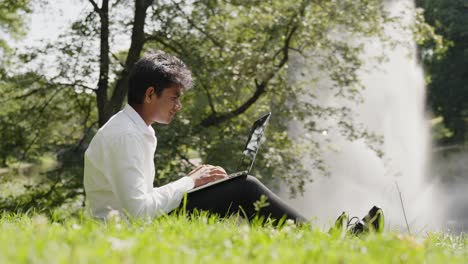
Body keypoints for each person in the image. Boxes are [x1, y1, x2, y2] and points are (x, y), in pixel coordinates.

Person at [83, 51, 384, 232]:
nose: (178, 106)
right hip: (126, 231)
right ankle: (324, 242)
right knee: (243, 188)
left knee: (237, 187)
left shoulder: (138, 130)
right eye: (174, 98)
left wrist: (193, 183)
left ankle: (313, 240)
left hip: (136, 224)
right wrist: (189, 182)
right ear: (150, 94)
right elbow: (138, 211)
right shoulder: (125, 136)